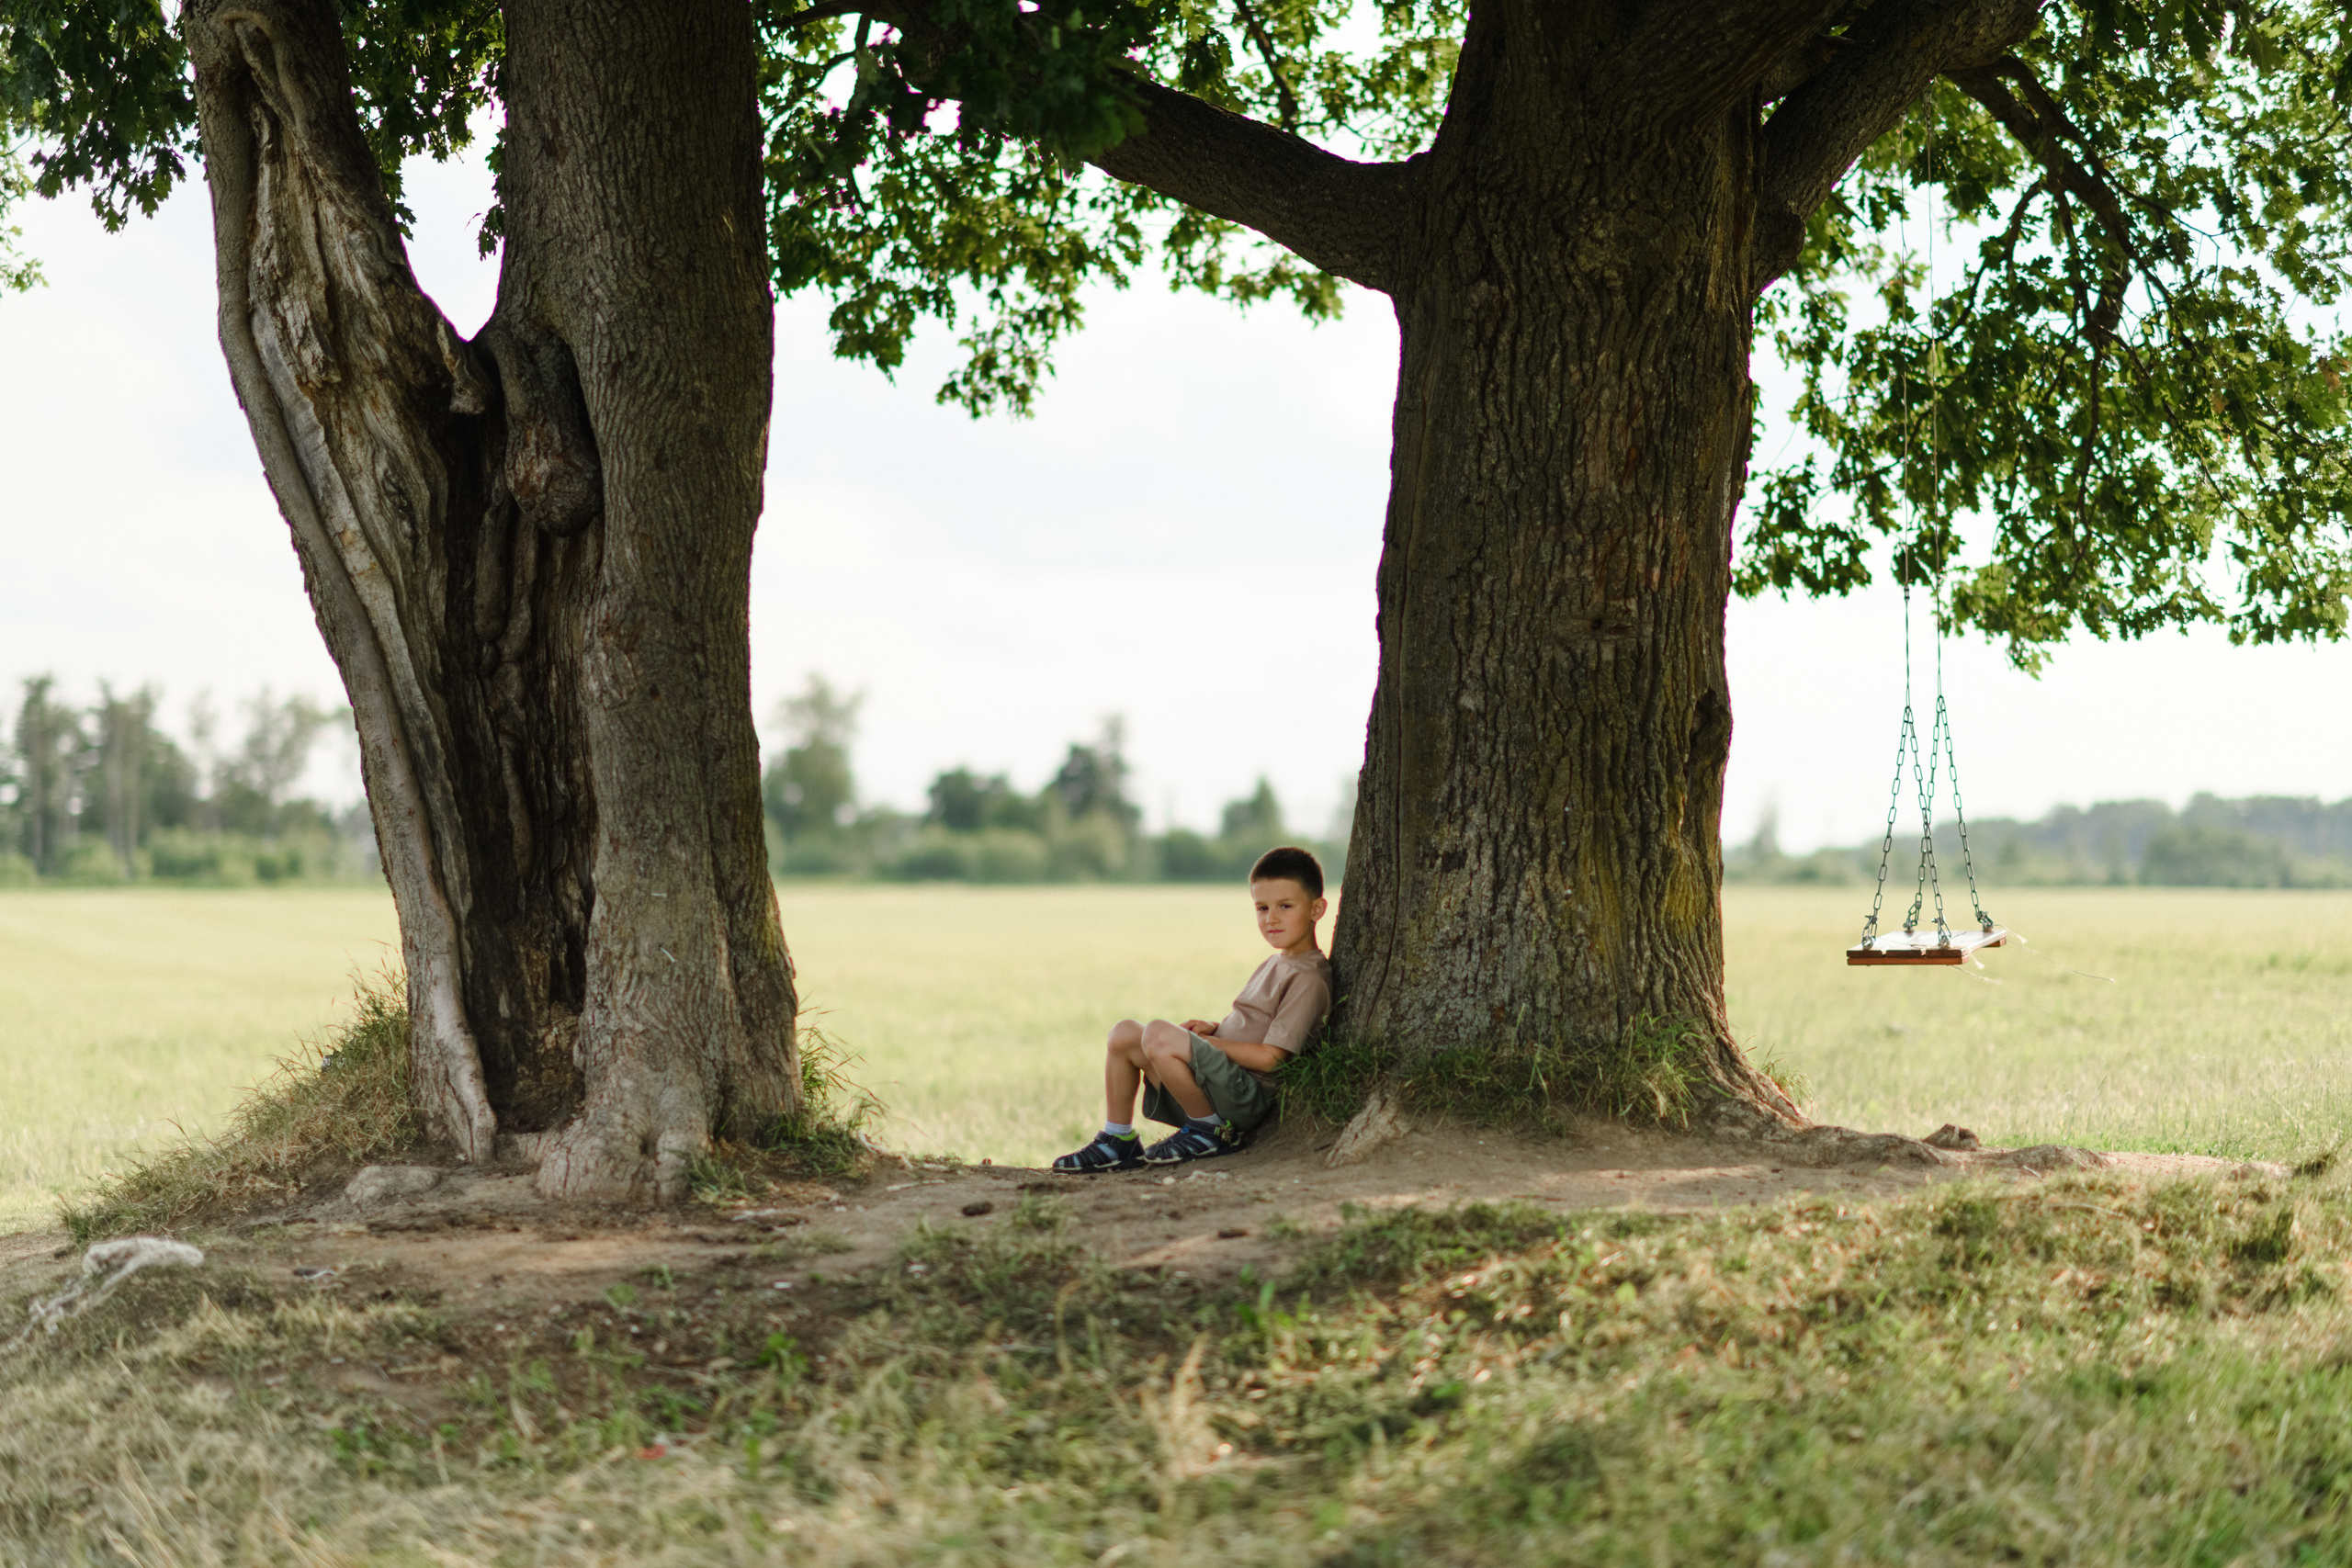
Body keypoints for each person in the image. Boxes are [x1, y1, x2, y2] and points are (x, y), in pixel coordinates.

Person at [1054, 845, 1334, 1171]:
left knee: (1159, 1033)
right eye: (1261, 908)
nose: (1270, 918)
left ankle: (1211, 1131)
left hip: (1245, 1096)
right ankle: (1118, 1139)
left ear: (1316, 909)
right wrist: (1214, 1028)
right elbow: (1253, 1024)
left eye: (1285, 906)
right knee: (1125, 1033)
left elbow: (1272, 1058)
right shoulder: (1277, 962)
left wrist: (1207, 1044)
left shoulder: (1309, 978)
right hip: (1217, 1084)